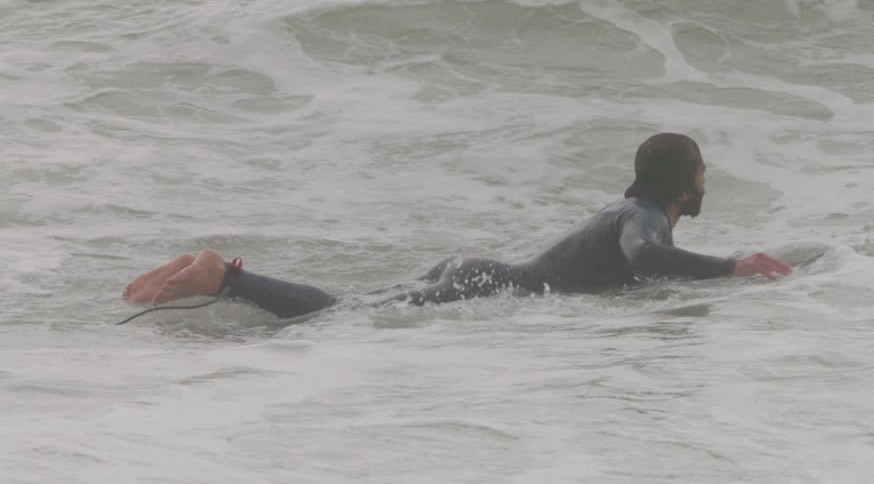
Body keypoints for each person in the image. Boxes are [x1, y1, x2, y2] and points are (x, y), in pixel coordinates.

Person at [121, 133, 793, 319]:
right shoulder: (644, 218)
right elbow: (644, 259)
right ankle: (224, 276)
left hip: (478, 274)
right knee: (338, 314)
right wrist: (731, 267)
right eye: (702, 174)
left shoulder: (627, 210)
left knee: (349, 308)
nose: (706, 184)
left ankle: (219, 277)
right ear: (682, 184)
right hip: (489, 285)